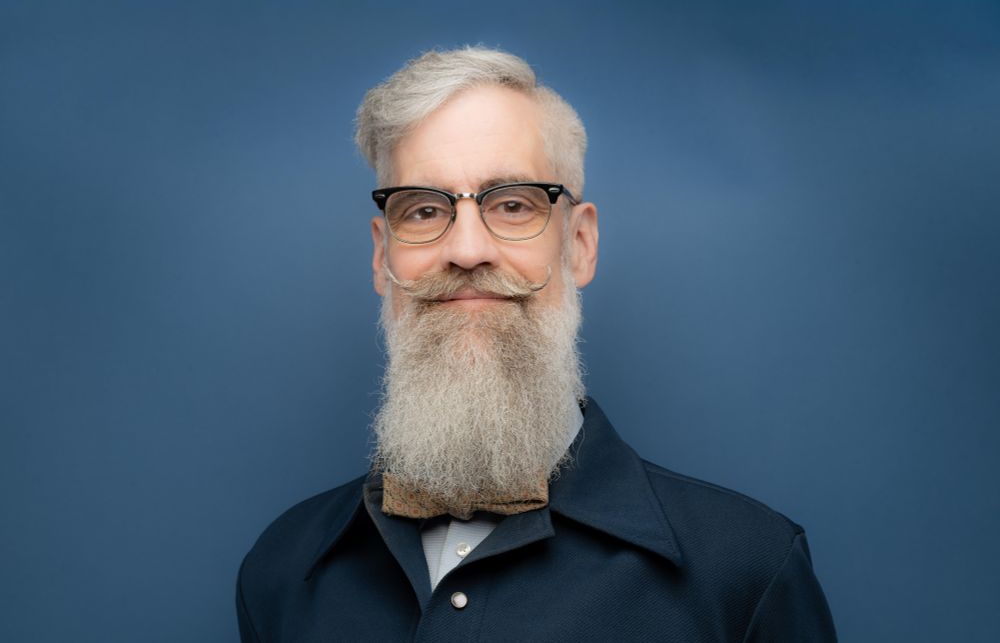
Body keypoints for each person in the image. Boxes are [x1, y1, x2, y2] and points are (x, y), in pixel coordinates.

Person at [236, 47, 837, 642]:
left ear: (578, 243)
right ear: (381, 255)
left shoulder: (747, 572)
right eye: (421, 210)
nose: (467, 250)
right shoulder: (283, 571)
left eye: (514, 204)